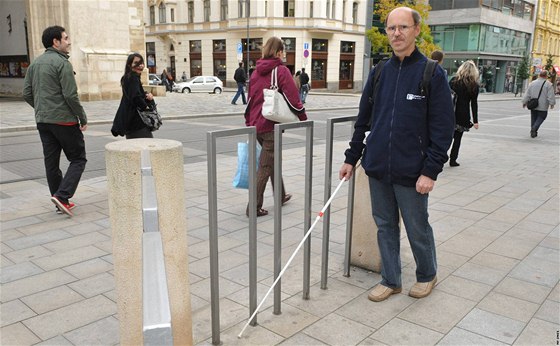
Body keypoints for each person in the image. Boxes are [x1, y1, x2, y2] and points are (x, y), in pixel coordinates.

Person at [339, 7, 454, 302]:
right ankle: (391, 279)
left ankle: (427, 274)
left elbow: (443, 128)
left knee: (417, 227)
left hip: (413, 171)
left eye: (403, 27)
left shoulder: (432, 73)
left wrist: (431, 171)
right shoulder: (379, 73)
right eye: (391, 28)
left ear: (416, 30)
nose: (396, 33)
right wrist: (351, 158)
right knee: (385, 226)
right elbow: (363, 120)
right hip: (378, 167)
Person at [22, 25, 88, 217]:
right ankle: (62, 195)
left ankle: (59, 199)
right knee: (78, 158)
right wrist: (82, 117)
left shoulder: (34, 64)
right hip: (64, 121)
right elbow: (70, 95)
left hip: (43, 121)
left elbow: (26, 93)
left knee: (51, 163)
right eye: (66, 38)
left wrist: (43, 109)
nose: (69, 42)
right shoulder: (62, 63)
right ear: (56, 42)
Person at [244, 36, 307, 217]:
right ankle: (253, 207)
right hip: (271, 126)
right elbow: (293, 98)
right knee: (265, 166)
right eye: (283, 51)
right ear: (279, 52)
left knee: (271, 160)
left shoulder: (256, 72)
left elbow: (250, 99)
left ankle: (280, 196)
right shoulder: (281, 70)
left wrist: (249, 122)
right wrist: (303, 117)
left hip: (256, 124)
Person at [111, 53, 155, 139]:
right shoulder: (133, 77)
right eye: (136, 63)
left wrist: (145, 95)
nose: (140, 65)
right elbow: (135, 97)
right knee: (147, 146)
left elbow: (133, 93)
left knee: (136, 148)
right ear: (129, 65)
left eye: (141, 63)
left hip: (131, 121)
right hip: (136, 121)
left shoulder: (129, 77)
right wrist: (146, 107)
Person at [448, 60, 480, 166]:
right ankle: (453, 160)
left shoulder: (453, 81)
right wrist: (475, 121)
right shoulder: (474, 85)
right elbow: (474, 104)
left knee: (446, 136)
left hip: (450, 112)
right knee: (457, 138)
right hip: (463, 115)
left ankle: (441, 155)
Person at [522, 70, 556, 138]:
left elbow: (527, 94)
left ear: (539, 75)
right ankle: (534, 129)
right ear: (546, 76)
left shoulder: (532, 83)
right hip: (543, 105)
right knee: (542, 116)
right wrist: (552, 103)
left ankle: (533, 132)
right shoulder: (548, 84)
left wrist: (524, 102)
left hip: (533, 104)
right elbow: (550, 95)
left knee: (533, 118)